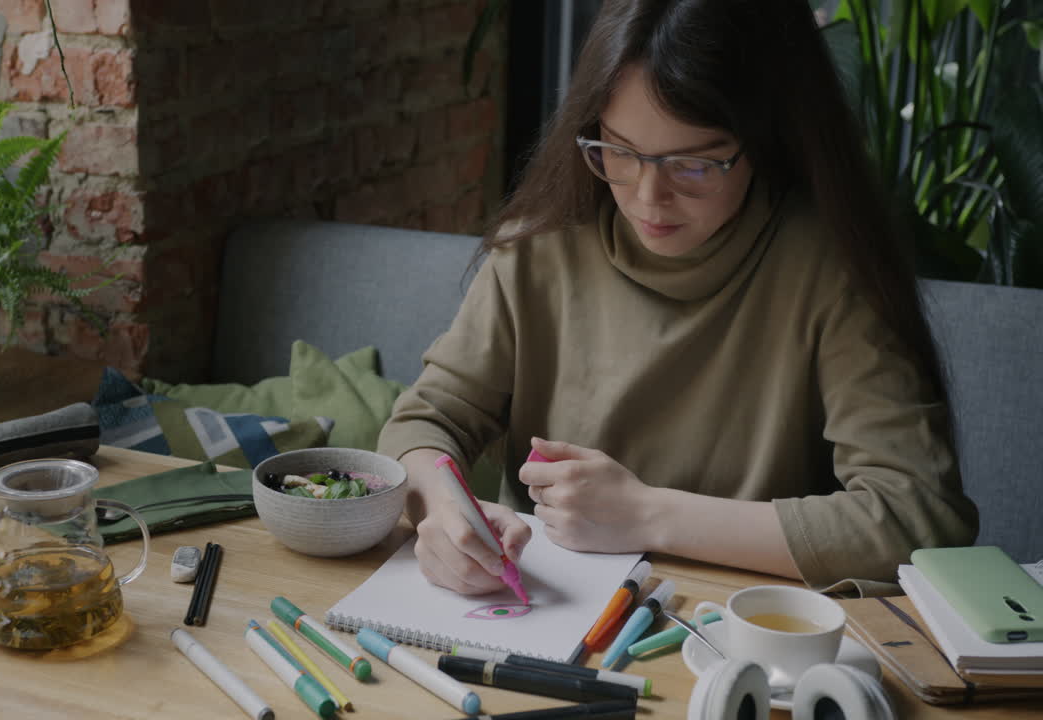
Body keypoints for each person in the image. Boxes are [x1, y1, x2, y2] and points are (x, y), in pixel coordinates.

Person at [376, 0, 978, 598]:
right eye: (617, 149)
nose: (647, 197)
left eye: (692, 164)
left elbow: (917, 516)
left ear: (765, 138)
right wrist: (446, 518)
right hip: (542, 620)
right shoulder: (538, 249)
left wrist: (648, 515)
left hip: (741, 635)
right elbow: (427, 421)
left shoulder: (828, 267)